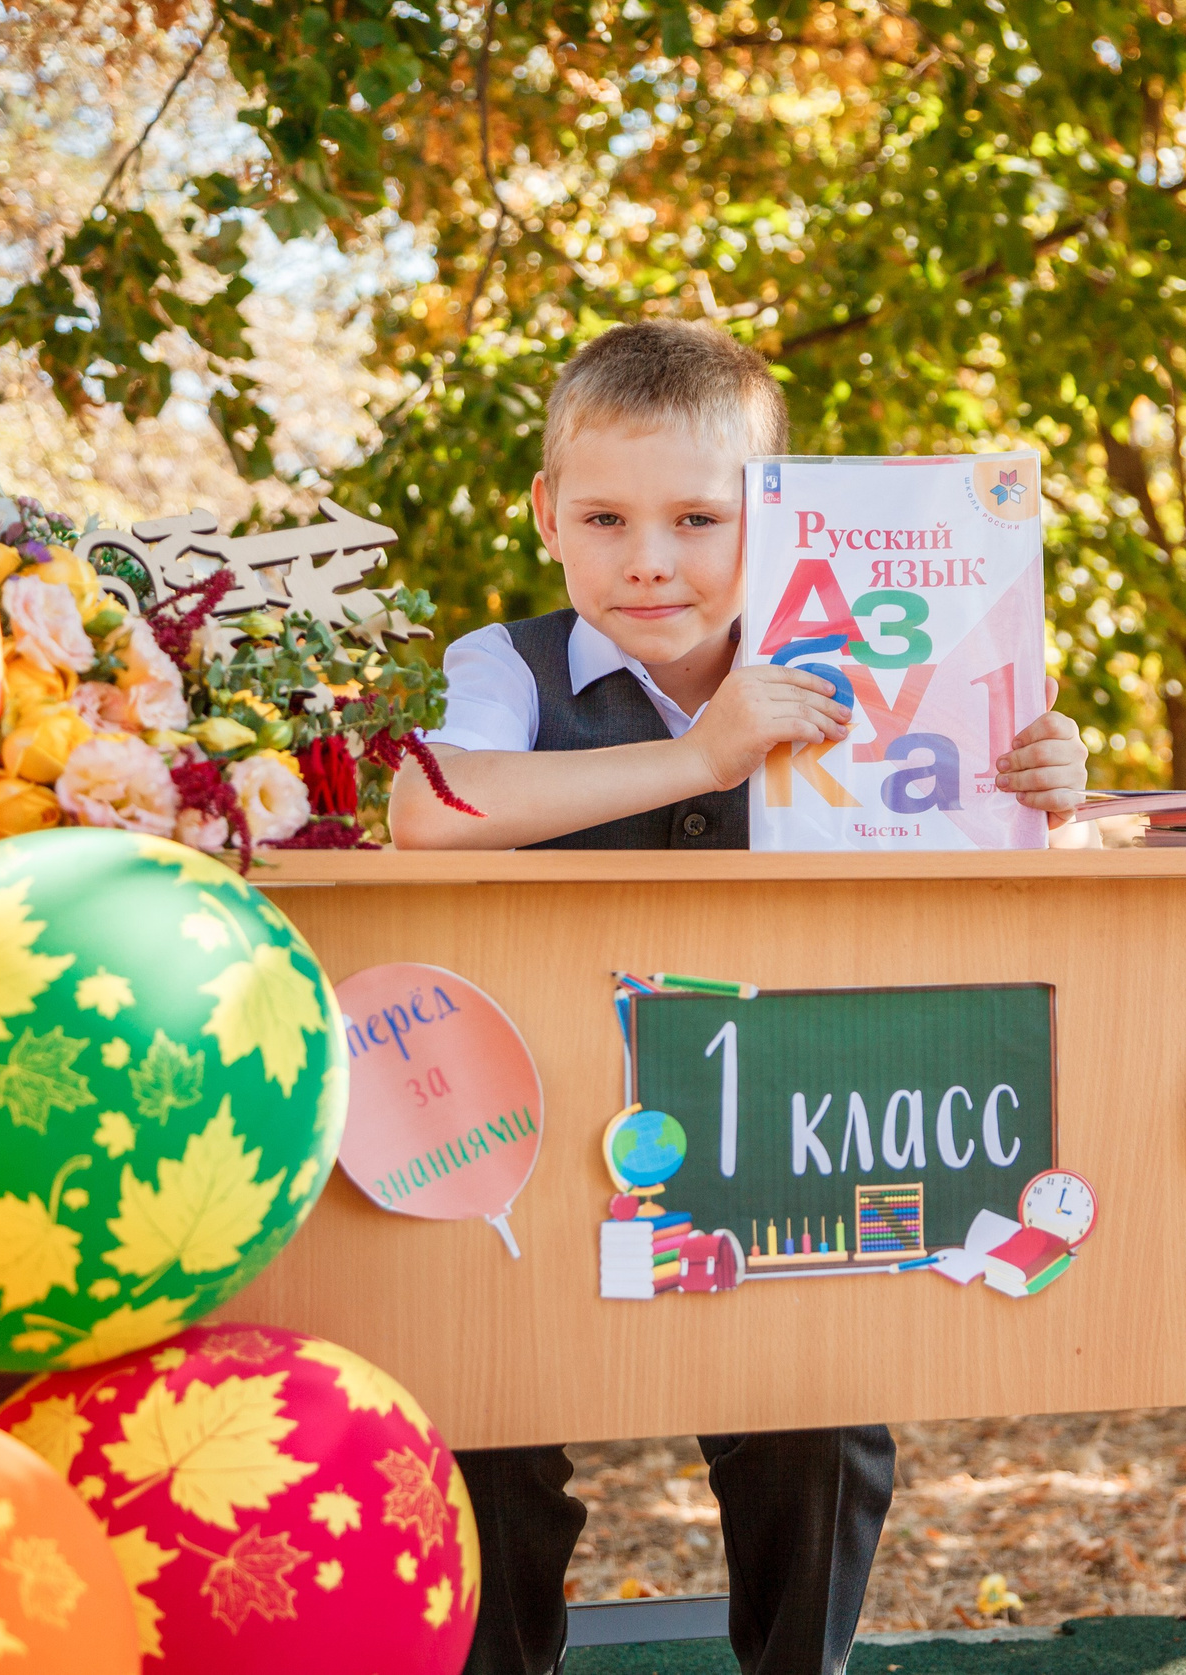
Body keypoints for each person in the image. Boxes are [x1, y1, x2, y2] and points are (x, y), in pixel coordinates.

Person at [392, 318, 1090, 1675]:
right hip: (534, 1146)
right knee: (481, 1431)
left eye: (698, 518)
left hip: (776, 1133)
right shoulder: (507, 666)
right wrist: (702, 752)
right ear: (547, 517)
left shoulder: (883, 674)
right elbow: (433, 806)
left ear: (775, 520)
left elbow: (959, 871)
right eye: (605, 517)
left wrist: (1042, 788)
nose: (649, 558)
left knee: (818, 1424)